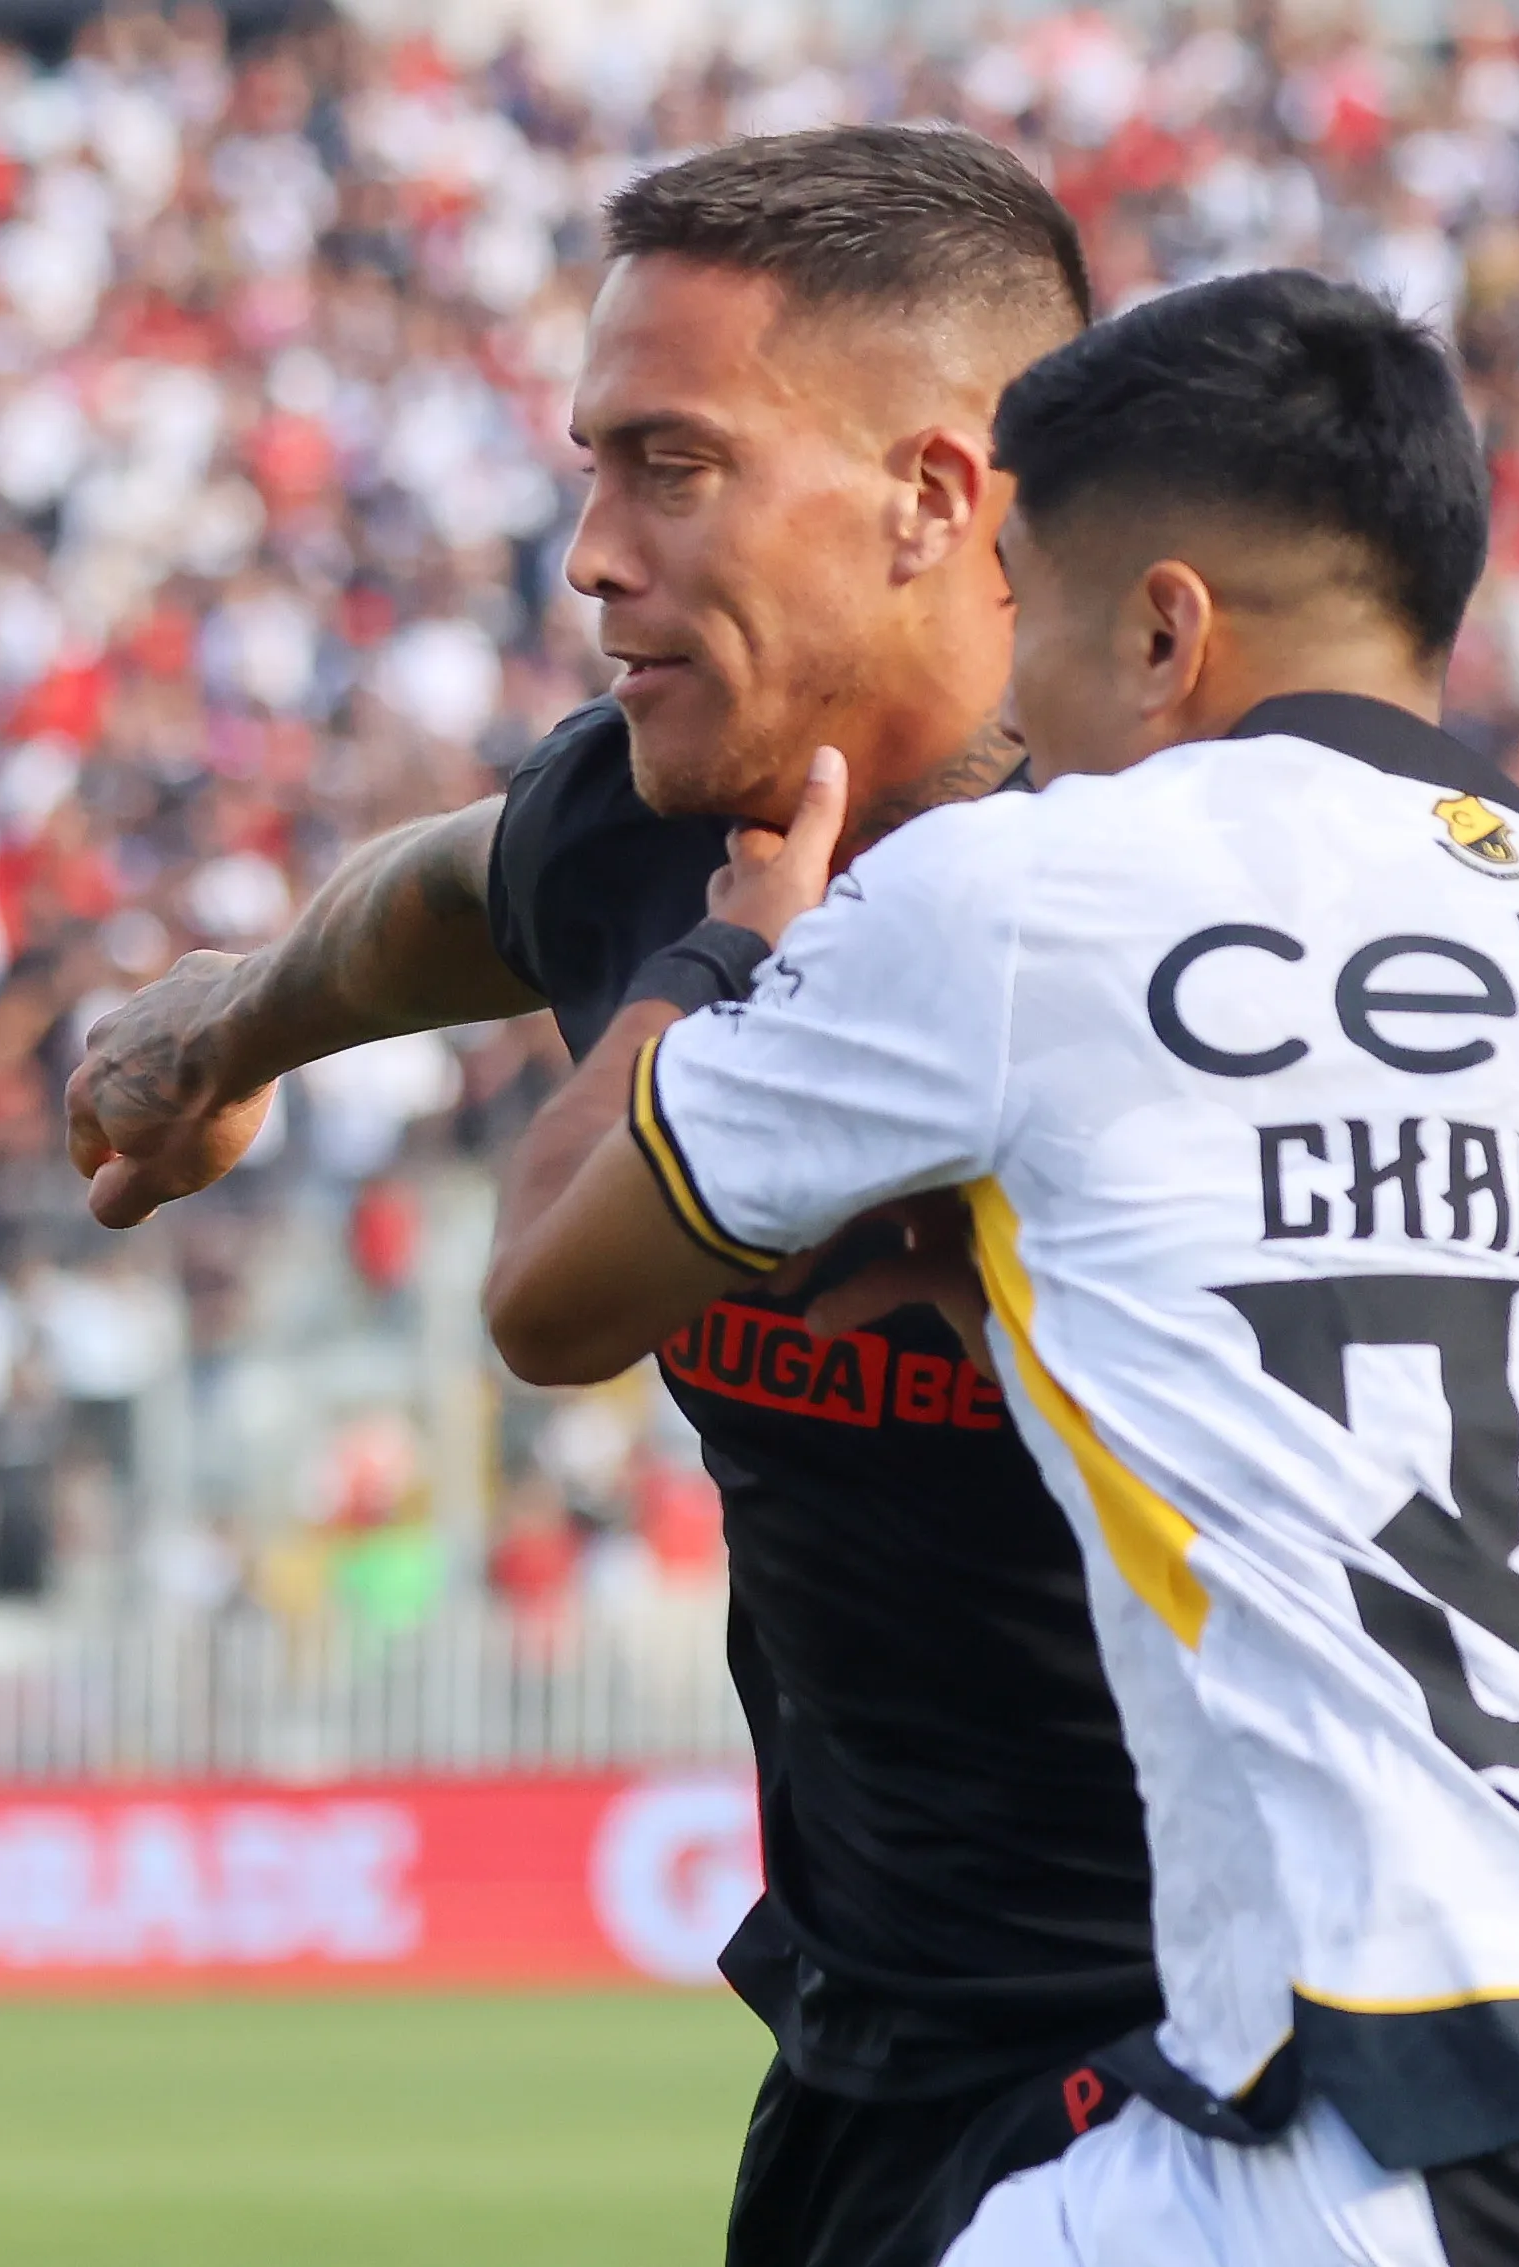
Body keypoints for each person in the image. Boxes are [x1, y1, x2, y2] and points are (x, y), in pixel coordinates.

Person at [480, 270, 1519, 2267]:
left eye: (1025, 625)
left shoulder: (1021, 896)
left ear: (1159, 626)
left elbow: (548, 1288)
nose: (1009, 713)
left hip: (1354, 2135)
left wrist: (727, 951)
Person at [70, 125, 1160, 2266]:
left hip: (1224, 2054)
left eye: (668, 465)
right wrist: (224, 1028)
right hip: (870, 2052)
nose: (586, 551)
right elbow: (441, 895)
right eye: (591, 465)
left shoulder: (1195, 904)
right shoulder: (656, 823)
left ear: (935, 499)